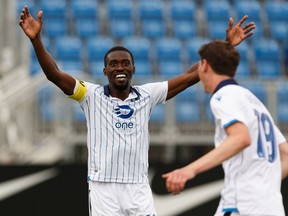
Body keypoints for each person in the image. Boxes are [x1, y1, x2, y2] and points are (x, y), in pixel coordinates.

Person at [19, 5, 256, 216]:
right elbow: (54, 75)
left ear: (133, 68)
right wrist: (36, 40)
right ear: (105, 71)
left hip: (138, 187)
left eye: (125, 63)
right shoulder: (89, 95)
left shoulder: (147, 95)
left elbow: (189, 76)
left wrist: (225, 46)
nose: (119, 67)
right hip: (104, 187)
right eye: (113, 64)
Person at [162, 40, 288, 216]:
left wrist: (188, 170)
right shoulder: (253, 101)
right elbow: (286, 153)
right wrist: (264, 183)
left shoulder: (224, 96)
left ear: (204, 65)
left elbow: (240, 138)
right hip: (270, 205)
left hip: (242, 204)